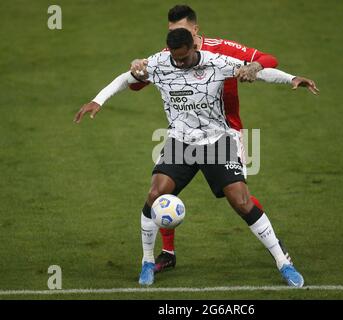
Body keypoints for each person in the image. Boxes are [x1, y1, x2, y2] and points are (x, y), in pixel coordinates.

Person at [74, 27, 318, 287]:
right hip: (181, 142)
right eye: (175, 59)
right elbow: (126, 79)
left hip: (217, 140)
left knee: (242, 200)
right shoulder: (159, 64)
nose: (179, 63)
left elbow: (261, 71)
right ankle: (147, 261)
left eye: (184, 58)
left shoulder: (217, 62)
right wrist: (98, 100)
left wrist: (291, 78)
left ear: (194, 48)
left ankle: (283, 262)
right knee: (155, 194)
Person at [127, 5, 318, 273]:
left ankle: (278, 250)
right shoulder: (170, 54)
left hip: (225, 131)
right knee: (161, 193)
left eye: (181, 31)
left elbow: (266, 60)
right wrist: (136, 70)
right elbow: (136, 83)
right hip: (185, 134)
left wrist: (261, 68)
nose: (173, 38)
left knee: (239, 197)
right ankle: (166, 254)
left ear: (195, 30)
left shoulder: (220, 53)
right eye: (171, 32)